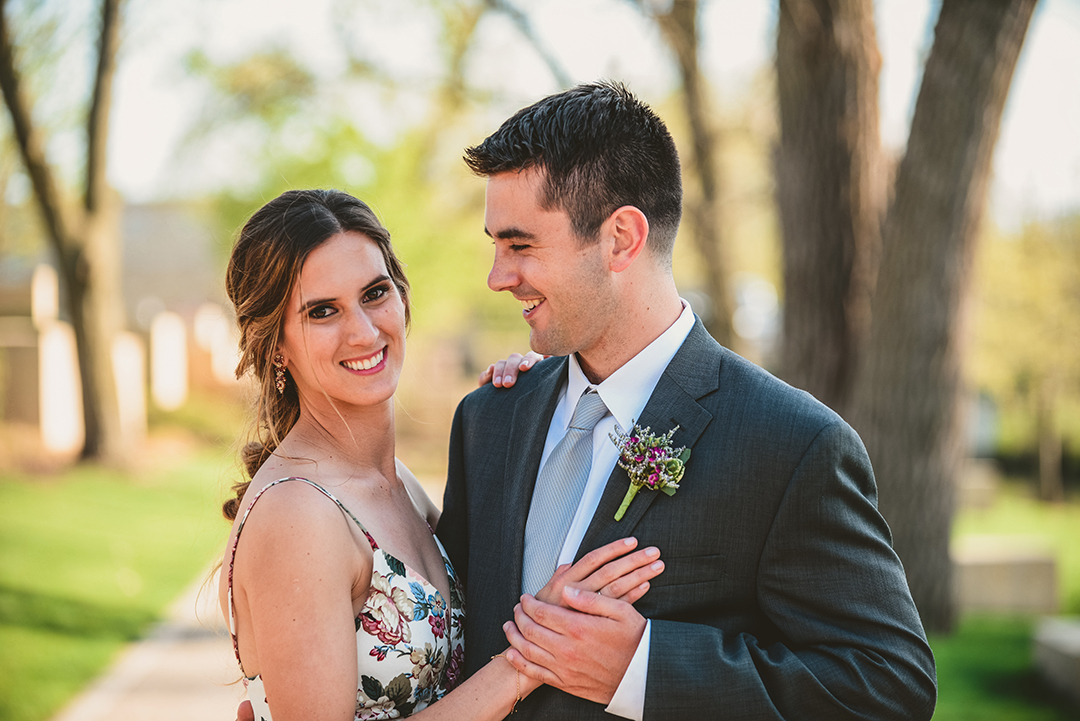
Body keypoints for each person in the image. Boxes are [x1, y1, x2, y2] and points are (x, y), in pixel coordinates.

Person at [435, 80, 938, 719]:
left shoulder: (792, 445)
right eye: (495, 244)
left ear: (621, 238)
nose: (497, 276)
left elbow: (888, 687)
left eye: (521, 244)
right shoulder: (488, 418)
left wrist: (643, 669)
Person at [217, 188, 666, 720]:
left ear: (402, 298)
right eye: (322, 311)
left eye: (375, 293)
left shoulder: (395, 482)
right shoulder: (298, 514)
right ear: (275, 345)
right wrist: (532, 655)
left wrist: (525, 400)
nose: (363, 331)